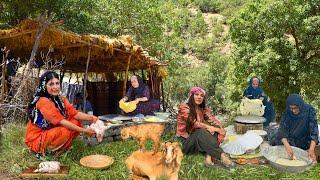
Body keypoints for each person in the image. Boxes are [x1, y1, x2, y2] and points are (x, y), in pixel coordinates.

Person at [25, 71, 97, 157]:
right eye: (51, 84)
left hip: (51, 132)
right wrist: (84, 131)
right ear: (44, 86)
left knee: (76, 122)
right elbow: (61, 122)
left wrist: (93, 118)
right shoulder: (43, 101)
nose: (55, 87)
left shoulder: (61, 99)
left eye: (57, 83)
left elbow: (75, 114)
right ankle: (45, 152)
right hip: (37, 138)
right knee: (64, 131)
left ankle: (60, 149)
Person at [176, 86, 235, 168]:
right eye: (196, 94)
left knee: (214, 132)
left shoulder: (203, 109)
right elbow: (193, 123)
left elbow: (213, 120)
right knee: (202, 131)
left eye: (201, 95)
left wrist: (221, 129)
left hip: (198, 141)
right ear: (191, 95)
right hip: (186, 142)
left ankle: (208, 158)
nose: (199, 97)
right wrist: (210, 127)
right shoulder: (184, 107)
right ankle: (223, 157)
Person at [271, 94, 318, 162]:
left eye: (295, 108)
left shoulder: (309, 110)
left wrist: (311, 149)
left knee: (309, 159)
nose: (293, 110)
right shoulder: (287, 112)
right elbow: (282, 129)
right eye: (291, 108)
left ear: (300, 105)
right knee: (276, 141)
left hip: (305, 140)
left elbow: (314, 131)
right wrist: (287, 146)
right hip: (291, 139)